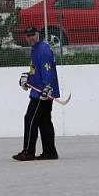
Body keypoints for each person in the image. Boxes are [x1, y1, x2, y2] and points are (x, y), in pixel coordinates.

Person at [13, 27, 60, 161]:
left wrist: (47, 87)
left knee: (30, 119)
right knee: (44, 121)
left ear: (38, 35)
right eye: (28, 36)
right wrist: (27, 77)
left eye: (32, 35)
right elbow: (36, 71)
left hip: (41, 92)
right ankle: (50, 151)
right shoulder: (36, 49)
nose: (30, 38)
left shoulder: (43, 50)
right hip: (39, 89)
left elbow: (47, 71)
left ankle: (28, 151)